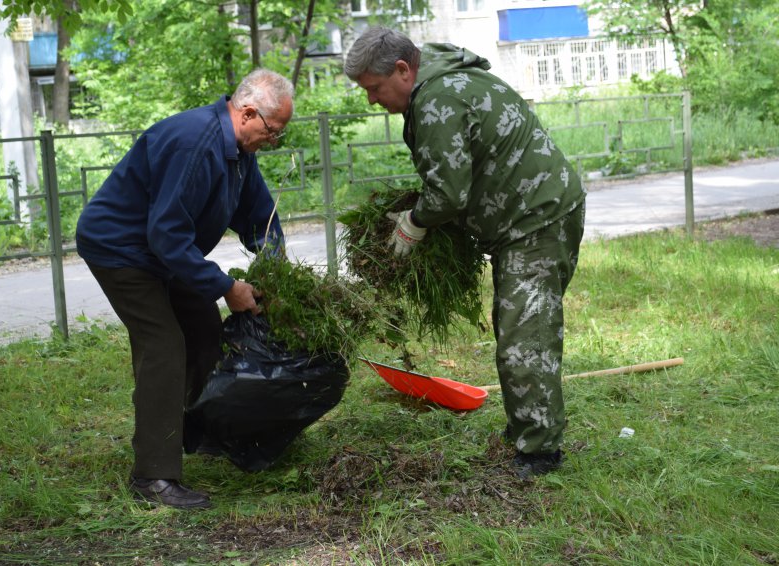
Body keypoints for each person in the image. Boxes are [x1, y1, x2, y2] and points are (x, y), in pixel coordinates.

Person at [345, 28, 586, 479]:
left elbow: (448, 195)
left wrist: (414, 224)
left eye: (374, 89)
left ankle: (539, 453)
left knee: (525, 338)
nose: (372, 101)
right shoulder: (445, 77)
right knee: (516, 327)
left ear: (402, 70)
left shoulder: (438, 99)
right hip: (534, 214)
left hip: (536, 220)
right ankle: (525, 429)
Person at [75, 69, 294, 508]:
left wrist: (275, 269)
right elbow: (167, 234)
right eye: (272, 132)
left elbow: (259, 216)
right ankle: (153, 476)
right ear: (248, 112)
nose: (273, 142)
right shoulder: (196, 143)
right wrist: (225, 286)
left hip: (165, 252)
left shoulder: (238, 150)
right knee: (164, 346)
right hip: (122, 250)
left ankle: (193, 431)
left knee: (204, 332)